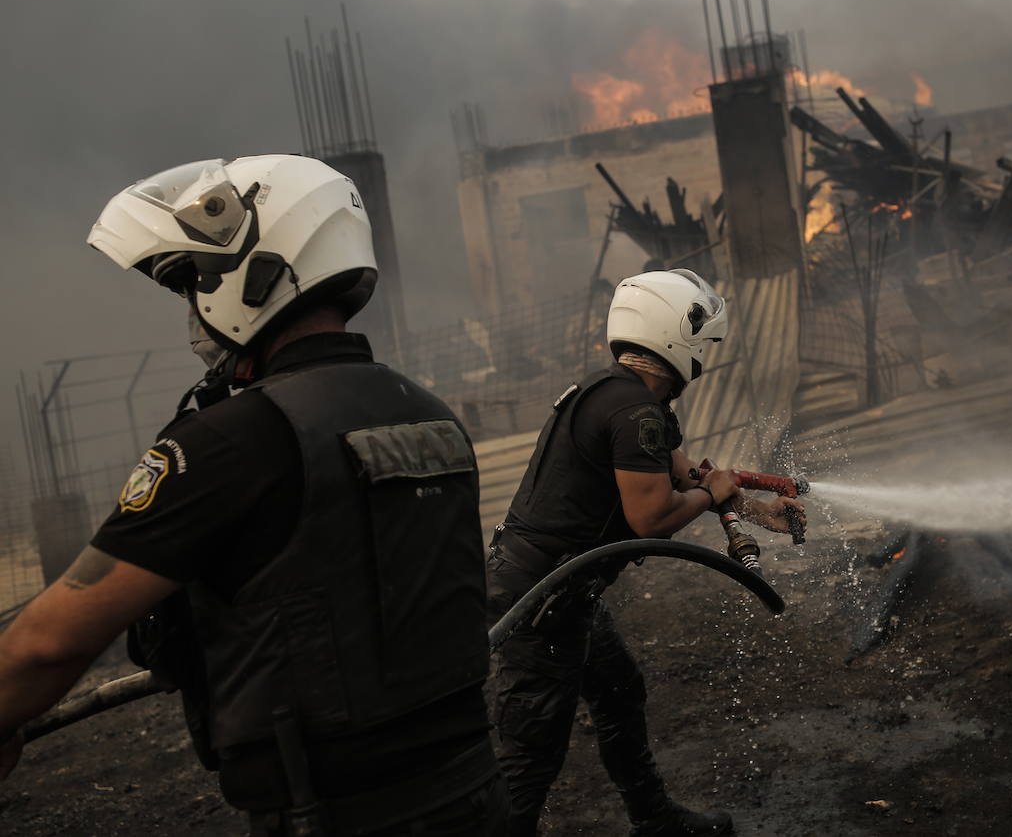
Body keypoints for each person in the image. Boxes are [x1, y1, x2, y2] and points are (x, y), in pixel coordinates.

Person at [0, 156, 507, 835]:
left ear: (255, 272)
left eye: (194, 286)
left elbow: (48, 645)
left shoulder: (230, 443)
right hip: (474, 789)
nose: (193, 314)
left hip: (333, 814)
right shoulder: (432, 411)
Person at [487, 269, 806, 836]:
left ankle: (653, 818)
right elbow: (653, 516)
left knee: (618, 692)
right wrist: (714, 492)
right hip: (544, 600)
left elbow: (689, 476)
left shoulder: (619, 397)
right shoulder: (634, 414)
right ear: (682, 339)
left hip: (565, 590)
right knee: (530, 756)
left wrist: (755, 510)